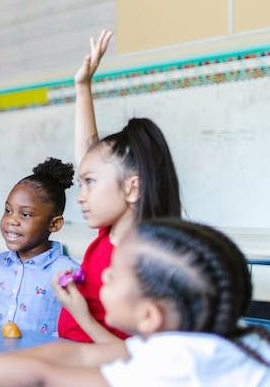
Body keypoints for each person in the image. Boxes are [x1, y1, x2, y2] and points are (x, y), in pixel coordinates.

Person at [0, 219, 270, 386]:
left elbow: (47, 377)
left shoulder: (182, 362)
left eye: (116, 271)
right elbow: (76, 357)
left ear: (149, 315)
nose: (104, 273)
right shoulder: (206, 339)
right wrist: (83, 315)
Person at [55, 30, 182, 343]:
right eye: (82, 184)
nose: (81, 197)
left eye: (90, 184)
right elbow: (89, 155)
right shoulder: (108, 234)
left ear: (132, 188)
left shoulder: (143, 258)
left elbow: (138, 358)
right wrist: (82, 86)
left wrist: (82, 317)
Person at [0, 157, 79, 335]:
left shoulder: (68, 272)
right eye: (8, 210)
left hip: (44, 359)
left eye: (25, 214)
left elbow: (76, 326)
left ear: (54, 224)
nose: (11, 220)